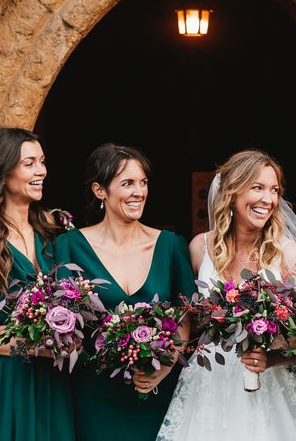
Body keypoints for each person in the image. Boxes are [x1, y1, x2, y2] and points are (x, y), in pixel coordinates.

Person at [157, 149, 296, 441]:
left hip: (270, 383)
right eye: (257, 188)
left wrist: (271, 358)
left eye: (273, 190)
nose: (268, 200)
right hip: (209, 382)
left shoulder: (289, 255)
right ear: (232, 192)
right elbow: (190, 322)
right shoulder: (200, 248)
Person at [54, 143, 195, 440]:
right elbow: (63, 324)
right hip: (94, 396)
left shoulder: (171, 246)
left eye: (143, 183)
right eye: (128, 183)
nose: (139, 192)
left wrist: (165, 367)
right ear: (99, 190)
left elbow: (185, 321)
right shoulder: (69, 246)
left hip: (155, 392)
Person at [0, 127, 74, 441]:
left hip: (55, 380)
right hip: (12, 377)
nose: (41, 171)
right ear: (3, 173)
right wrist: (28, 349)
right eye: (30, 163)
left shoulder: (49, 228)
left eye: (42, 162)